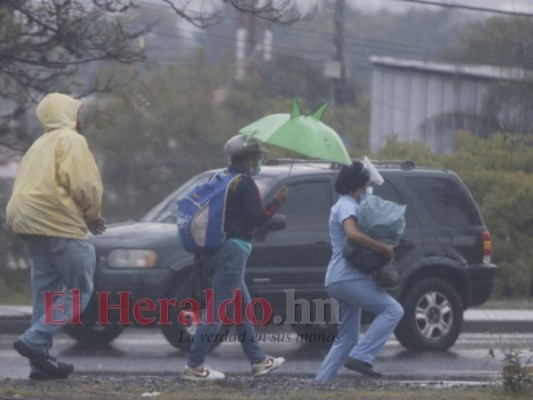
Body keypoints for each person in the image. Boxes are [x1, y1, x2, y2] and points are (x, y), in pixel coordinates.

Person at [6, 92, 106, 380]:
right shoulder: (72, 140)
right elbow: (85, 184)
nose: (80, 117)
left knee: (46, 295)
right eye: (77, 111)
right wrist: (92, 215)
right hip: (60, 224)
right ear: (70, 115)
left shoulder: (38, 144)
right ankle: (34, 339)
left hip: (30, 224)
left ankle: (41, 363)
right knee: (80, 292)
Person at [182, 134, 289, 381]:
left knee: (241, 309)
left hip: (211, 250)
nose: (259, 161)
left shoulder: (219, 178)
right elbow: (259, 218)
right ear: (250, 158)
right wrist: (277, 202)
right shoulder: (245, 183)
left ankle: (259, 360)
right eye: (258, 156)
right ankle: (194, 366)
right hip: (232, 252)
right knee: (216, 312)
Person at [315, 161, 404, 383]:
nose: (368, 187)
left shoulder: (345, 204)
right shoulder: (347, 206)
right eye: (366, 184)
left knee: (346, 338)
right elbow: (352, 235)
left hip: (339, 278)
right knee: (393, 310)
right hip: (348, 277)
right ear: (357, 185)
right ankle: (362, 356)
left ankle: (321, 384)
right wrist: (383, 248)